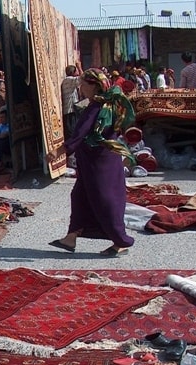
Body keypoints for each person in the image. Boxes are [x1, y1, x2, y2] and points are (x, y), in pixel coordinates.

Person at [46, 68, 136, 257]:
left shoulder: (98, 107)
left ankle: (121, 241)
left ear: (94, 86)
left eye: (84, 84)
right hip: (93, 160)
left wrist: (58, 152)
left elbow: (80, 134)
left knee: (105, 199)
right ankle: (71, 237)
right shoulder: (104, 104)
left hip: (100, 162)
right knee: (79, 196)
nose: (81, 87)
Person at [60, 63, 82, 139]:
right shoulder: (69, 80)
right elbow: (83, 78)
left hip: (70, 110)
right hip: (70, 110)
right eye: (76, 72)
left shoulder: (68, 81)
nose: (77, 73)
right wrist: (79, 67)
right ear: (73, 72)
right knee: (72, 131)